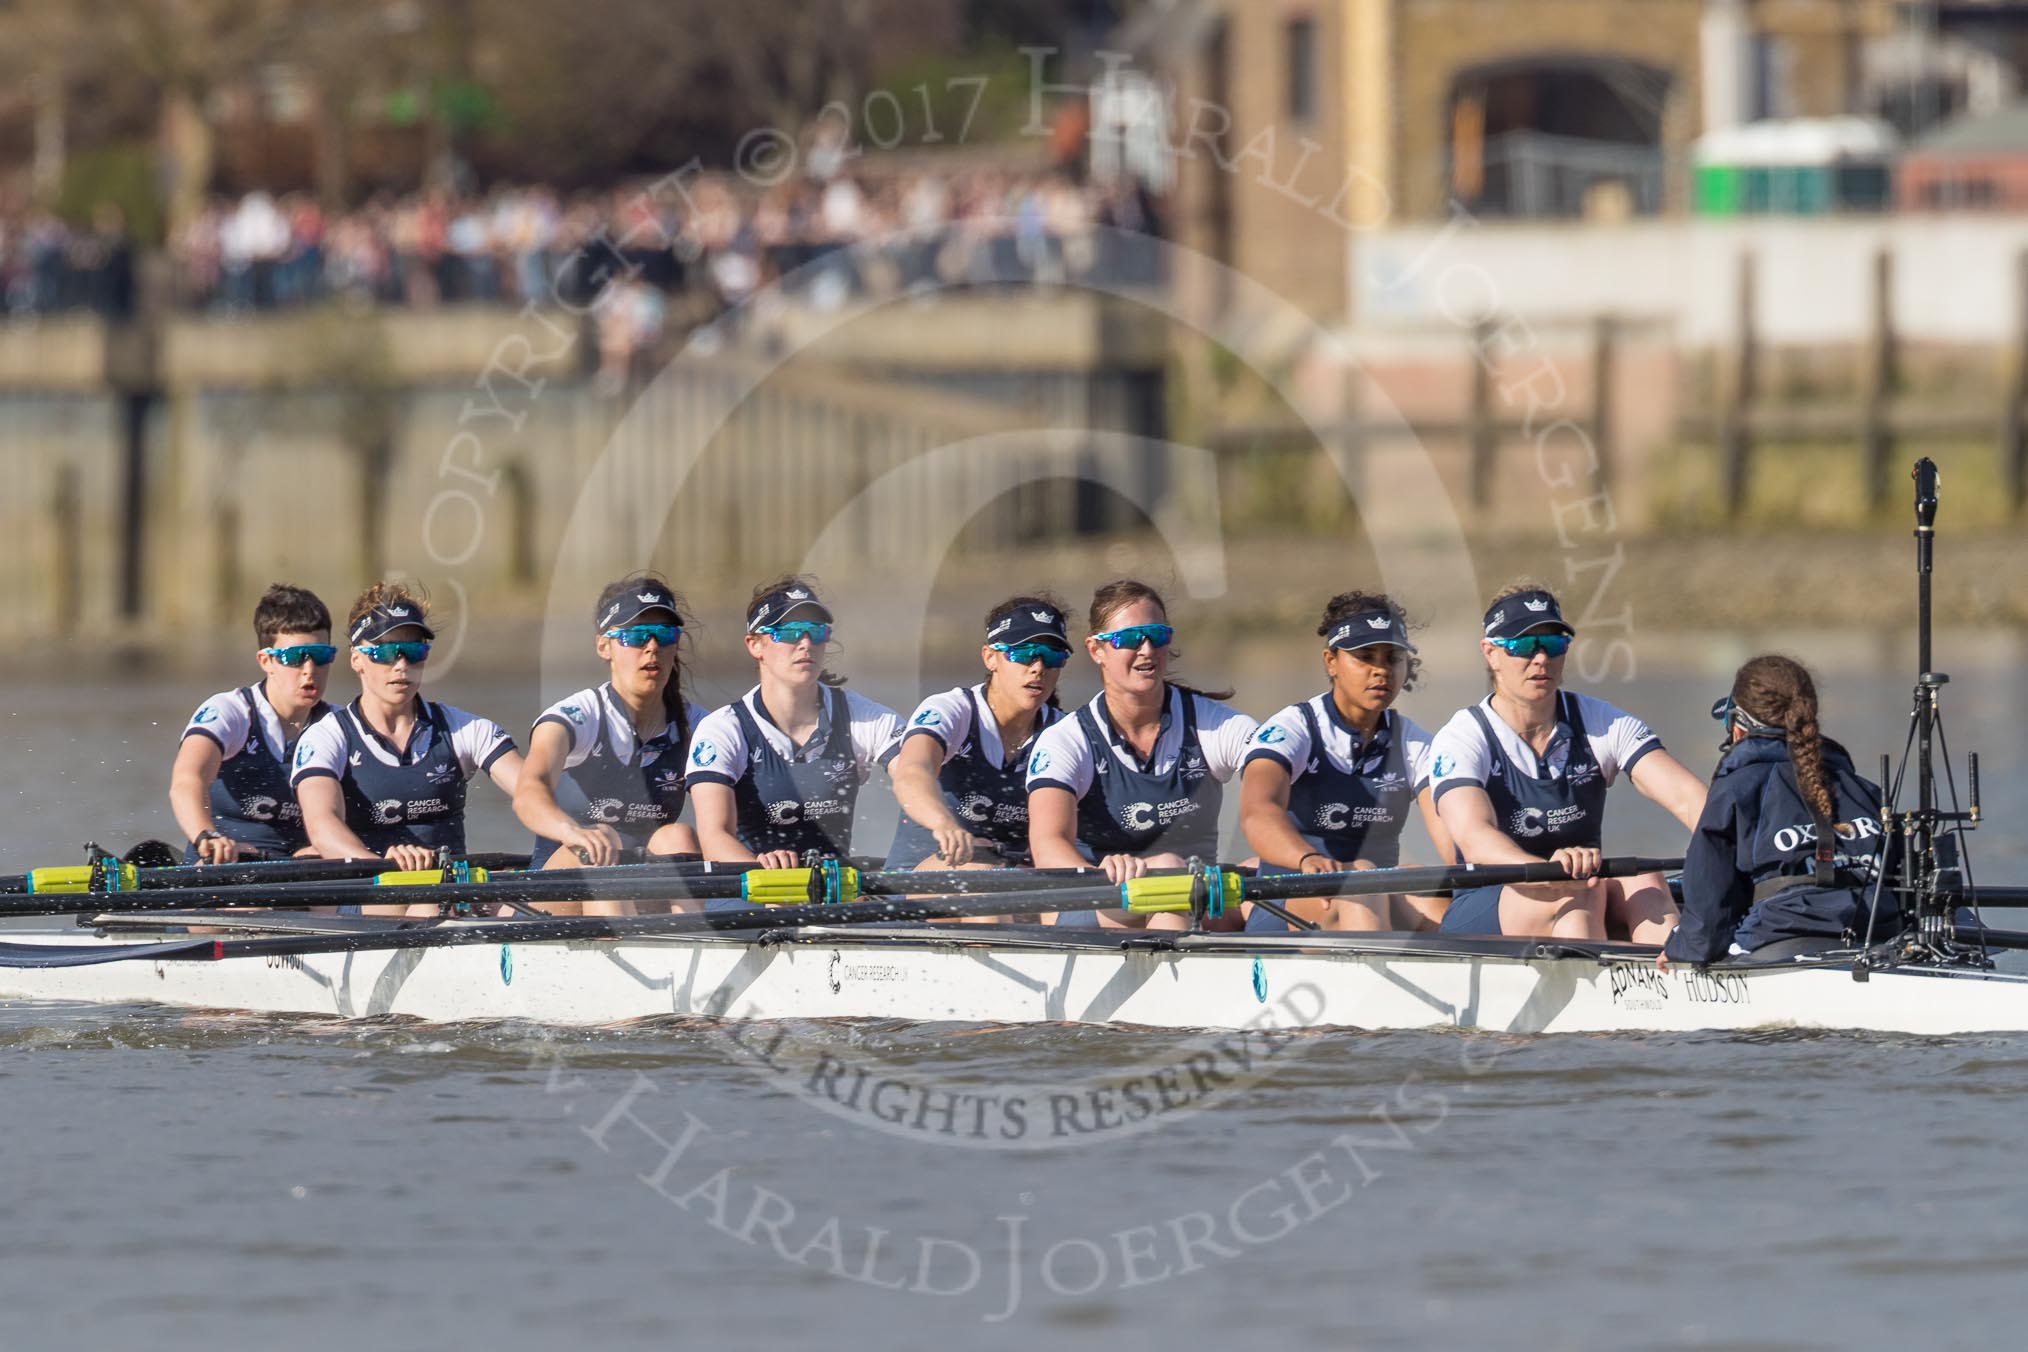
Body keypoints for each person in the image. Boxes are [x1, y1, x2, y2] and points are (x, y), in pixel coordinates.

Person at [1430, 584, 1706, 942]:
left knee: (1646, 880)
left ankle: (1674, 986)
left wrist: (1740, 848)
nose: (1541, 658)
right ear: (1491, 653)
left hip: (1578, 885)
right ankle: (1597, 991)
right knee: (1577, 892)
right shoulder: (1462, 737)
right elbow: (1475, 838)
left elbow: (1688, 799)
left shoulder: (1601, 722)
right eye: (1524, 645)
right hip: (1486, 900)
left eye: (1554, 643)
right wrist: (1547, 871)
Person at [1025, 579, 1258, 929]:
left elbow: (1277, 771)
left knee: (1271, 873)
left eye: (1157, 636)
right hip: (1098, 900)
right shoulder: (1067, 740)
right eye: (1131, 639)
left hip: (1196, 898)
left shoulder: (1211, 724)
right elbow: (1048, 844)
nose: (1147, 649)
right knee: (1166, 870)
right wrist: (1100, 877)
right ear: (1096, 650)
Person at [1239, 592, 1453, 931]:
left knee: (1421, 887)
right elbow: (1257, 813)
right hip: (1292, 895)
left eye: (1392, 658)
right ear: (1331, 661)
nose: (1381, 670)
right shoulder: (1293, 729)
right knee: (1365, 882)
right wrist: (1306, 858)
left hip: (1372, 891)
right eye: (1365, 657)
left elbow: (1449, 829)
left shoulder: (1414, 743)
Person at [1662, 655, 1894, 967]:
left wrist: (1683, 949)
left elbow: (1710, 902)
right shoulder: (1865, 790)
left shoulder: (1735, 789)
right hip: (1876, 931)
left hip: (1779, 934)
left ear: (1738, 726)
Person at [290, 585, 522, 891]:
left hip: (452, 897)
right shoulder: (326, 737)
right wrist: (386, 871)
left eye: (413, 652)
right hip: (368, 896)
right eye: (386, 652)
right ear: (357, 659)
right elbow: (323, 827)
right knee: (419, 900)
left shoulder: (463, 729)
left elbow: (534, 794)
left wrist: (576, 830)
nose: (401, 665)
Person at [513, 577, 707, 917]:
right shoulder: (576, 717)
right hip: (554, 899)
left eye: (664, 635)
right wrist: (571, 832)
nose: (651, 647)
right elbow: (528, 793)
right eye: (634, 636)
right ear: (605, 646)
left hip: (639, 895)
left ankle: (694, 945)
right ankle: (623, 950)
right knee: (602, 840)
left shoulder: (698, 726)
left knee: (677, 837)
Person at [685, 577, 902, 871]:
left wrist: (939, 825)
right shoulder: (723, 729)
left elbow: (918, 774)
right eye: (789, 632)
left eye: (816, 631)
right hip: (747, 893)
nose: (805, 643)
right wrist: (776, 887)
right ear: (755, 645)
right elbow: (714, 837)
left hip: (833, 895)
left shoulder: (862, 717)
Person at [884, 595, 1071, 872]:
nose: (1038, 668)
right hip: (918, 884)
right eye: (1023, 653)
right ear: (990, 658)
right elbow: (910, 774)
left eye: (1052, 656)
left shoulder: (1065, 732)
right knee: (980, 864)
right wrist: (943, 824)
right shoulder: (952, 711)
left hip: (1014, 888)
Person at [169, 583, 336, 863]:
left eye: (320, 657)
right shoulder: (230, 712)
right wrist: (205, 834)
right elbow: (187, 780)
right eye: (294, 658)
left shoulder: (337, 725)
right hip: (225, 866)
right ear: (266, 661)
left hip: (304, 872)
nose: (309, 670)